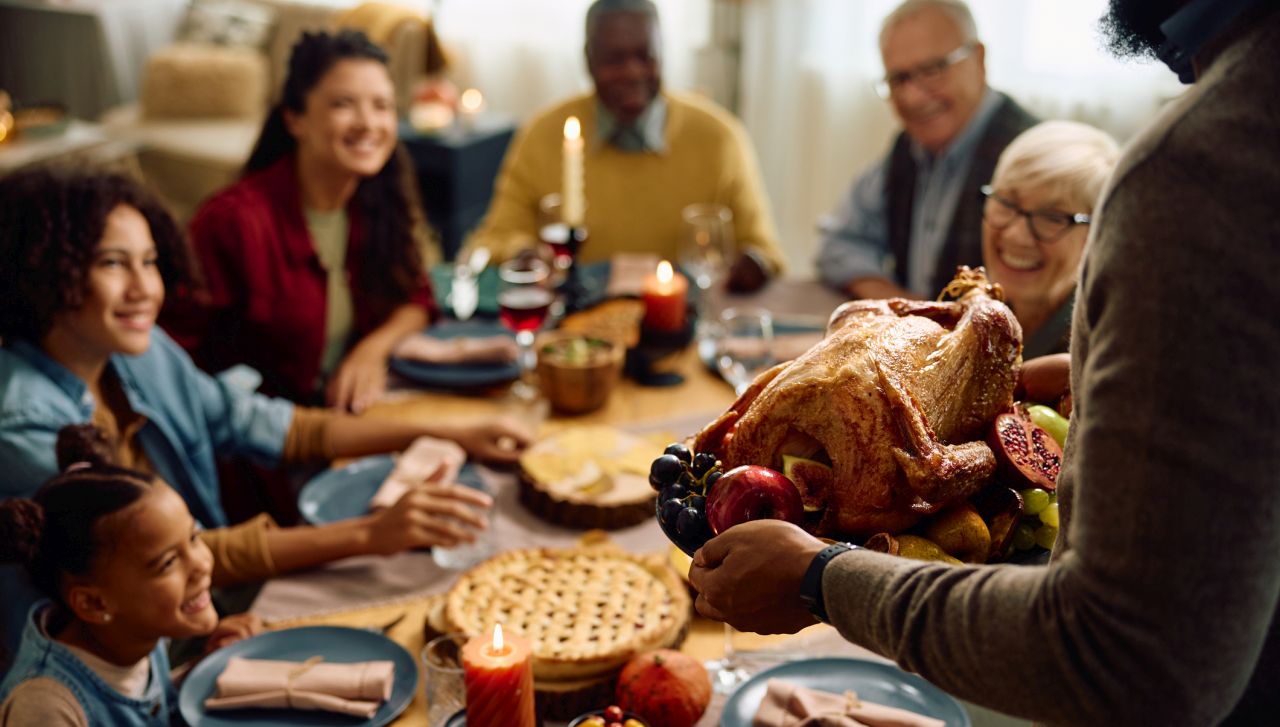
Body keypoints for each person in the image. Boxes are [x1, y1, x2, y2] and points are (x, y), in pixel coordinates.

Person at [691, 0, 1280, 723]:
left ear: (978, 62)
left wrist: (820, 579)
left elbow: (1123, 656)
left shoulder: (1199, 167)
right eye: (1004, 206)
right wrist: (1100, 382)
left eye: (932, 68)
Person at [0, 166, 532, 671]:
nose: (146, 288)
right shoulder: (23, 425)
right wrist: (370, 534)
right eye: (113, 264)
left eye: (150, 260)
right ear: (47, 270)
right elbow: (172, 559)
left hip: (197, 620)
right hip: (127, 674)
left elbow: (280, 427)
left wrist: (446, 430)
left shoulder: (136, 351)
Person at [162, 30, 437, 413]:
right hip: (265, 451)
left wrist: (371, 351)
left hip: (354, 419)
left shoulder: (379, 198)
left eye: (382, 105)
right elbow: (170, 362)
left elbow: (416, 299)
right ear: (295, 119)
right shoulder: (232, 222)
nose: (368, 123)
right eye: (344, 104)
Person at [462, 0, 785, 293]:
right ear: (588, 61)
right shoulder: (544, 134)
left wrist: (751, 265)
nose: (633, 72)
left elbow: (764, 251)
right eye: (615, 59)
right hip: (576, 329)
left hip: (684, 325)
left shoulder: (719, 137)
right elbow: (495, 238)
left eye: (646, 56)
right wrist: (524, 252)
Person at [0, 426, 262, 725]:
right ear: (94, 604)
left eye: (193, 537)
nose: (201, 563)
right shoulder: (45, 709)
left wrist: (206, 669)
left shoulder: (133, 632)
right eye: (168, 562)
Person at [816, 0, 1038, 300]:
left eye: (932, 69)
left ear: (979, 59)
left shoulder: (1032, 155)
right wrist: (901, 305)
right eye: (899, 79)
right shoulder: (908, 148)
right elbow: (839, 242)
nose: (913, 98)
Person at [980, 120, 1119, 358]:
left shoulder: (1101, 353)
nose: (1016, 235)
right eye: (1007, 203)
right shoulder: (972, 311)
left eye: (1052, 217)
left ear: (1097, 235)